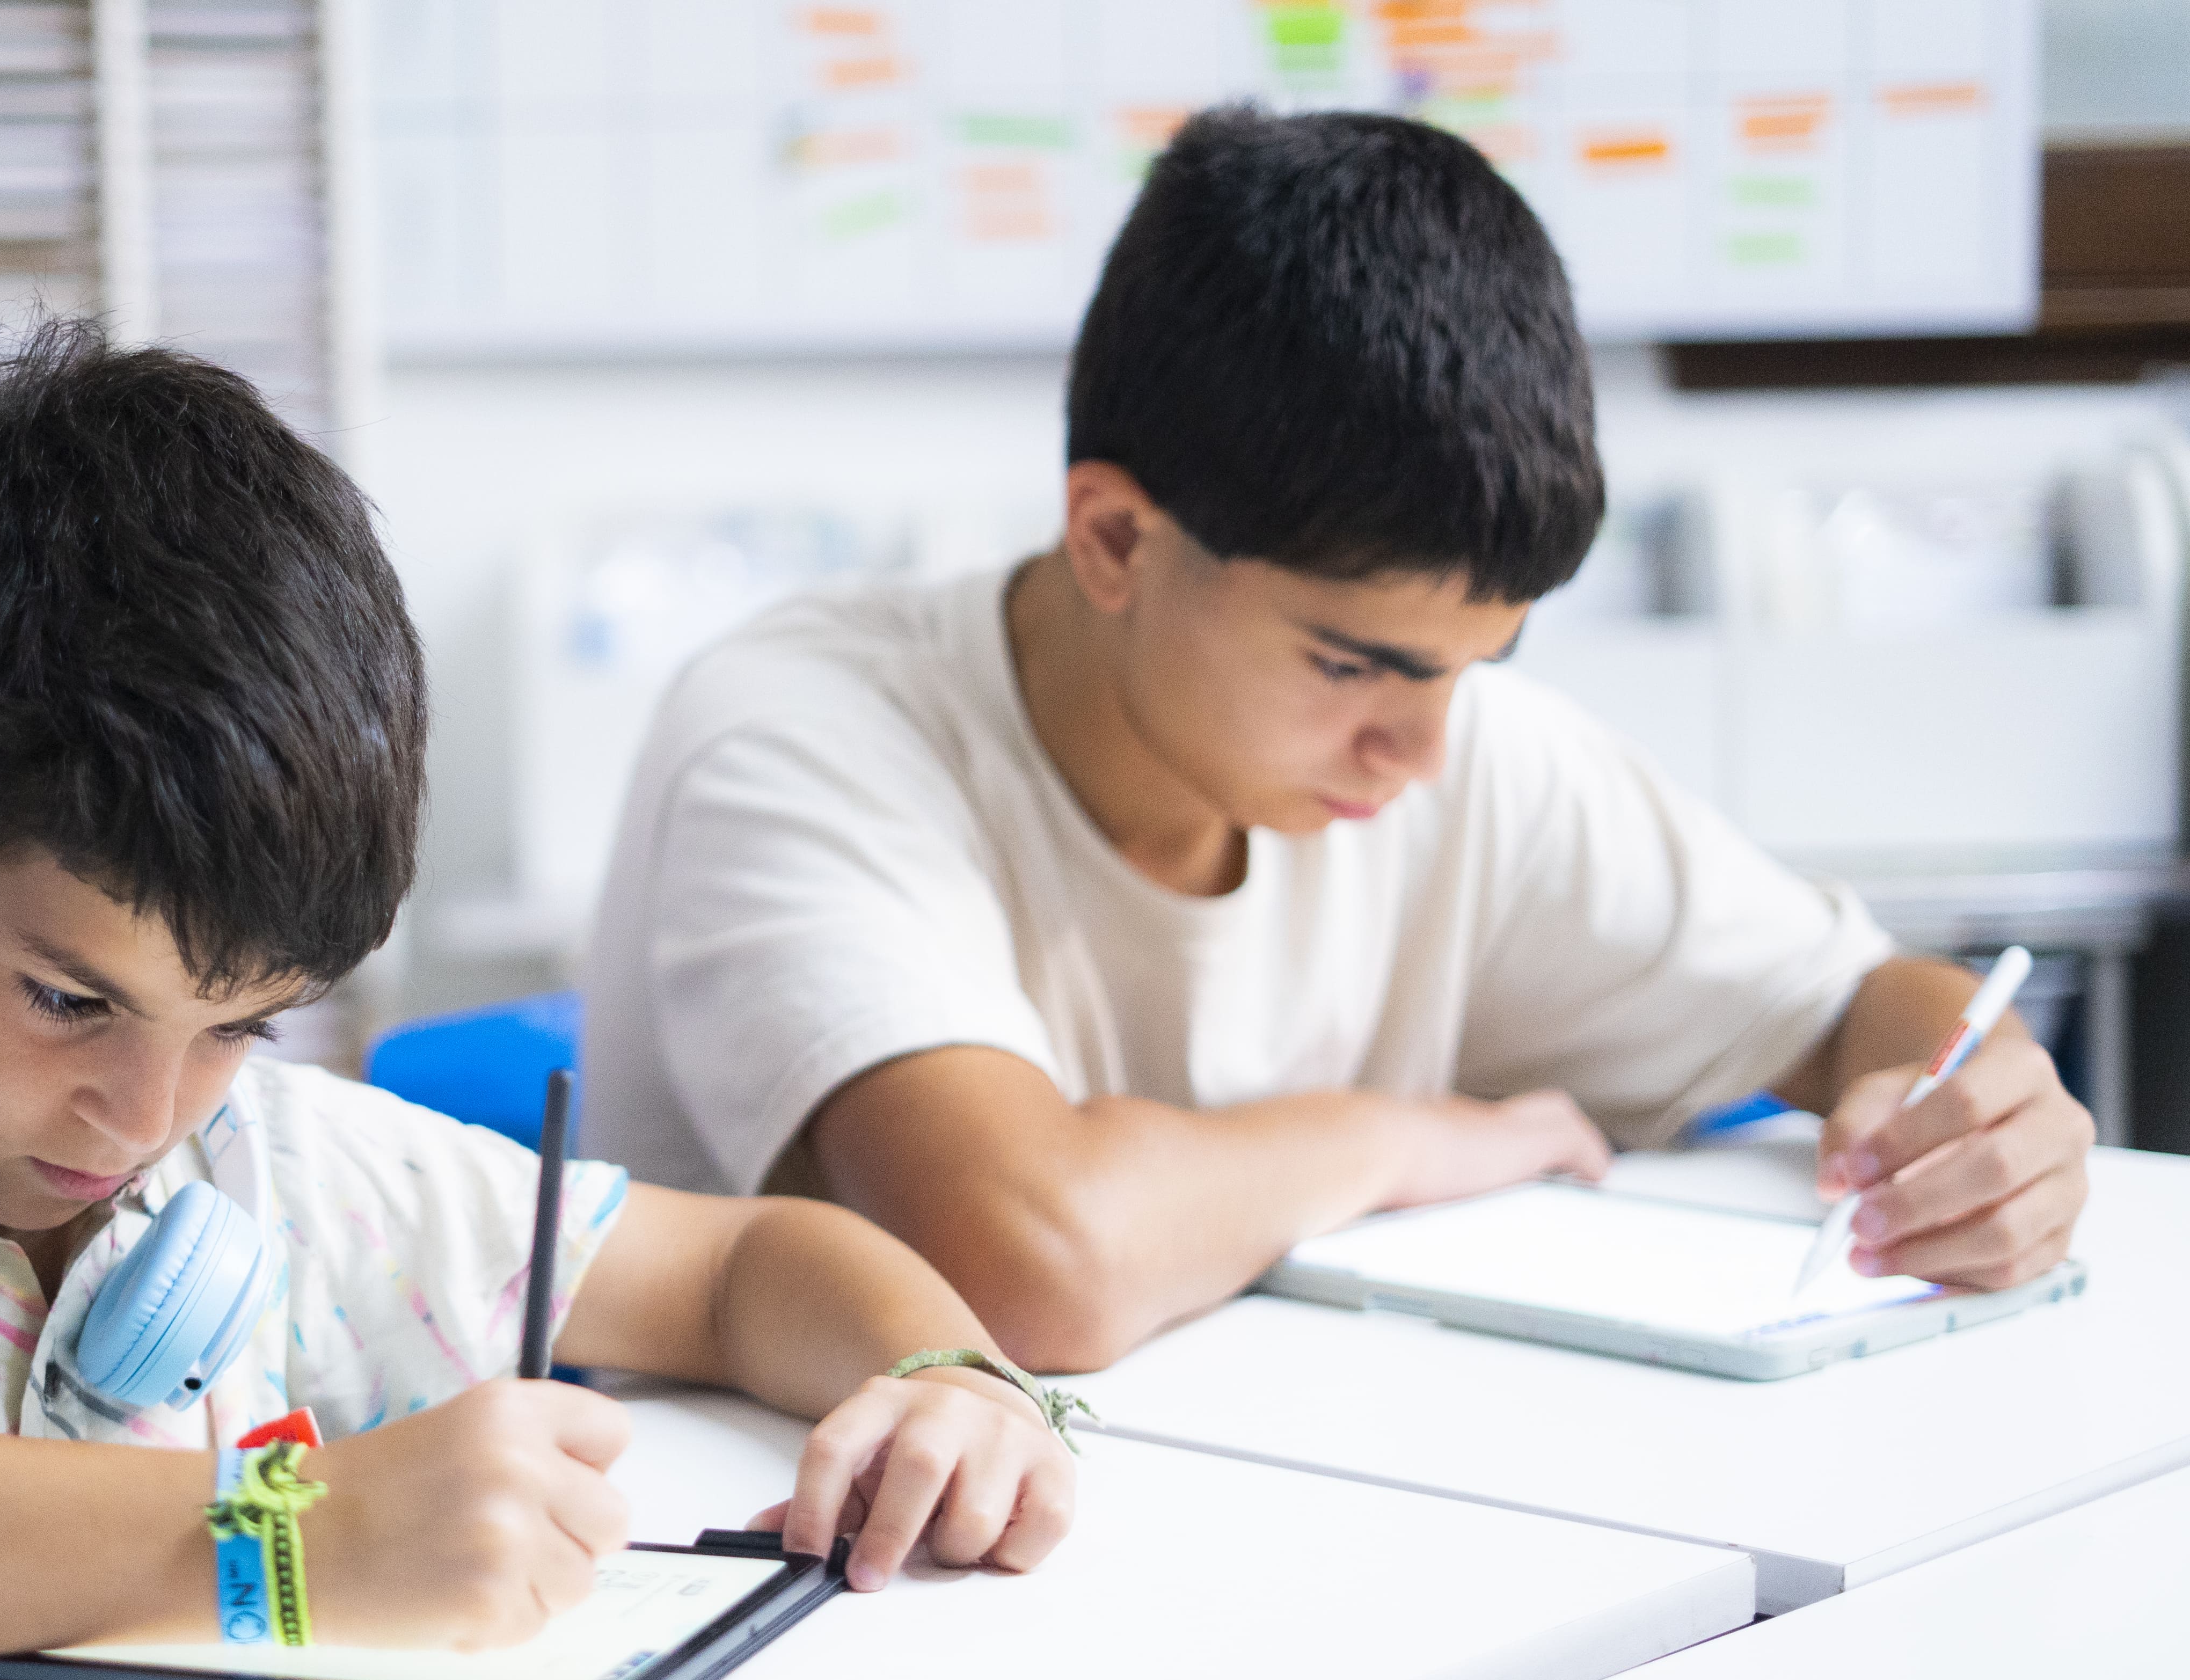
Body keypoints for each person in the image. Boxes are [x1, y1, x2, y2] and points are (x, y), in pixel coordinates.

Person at [0, 323, 1074, 1672]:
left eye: (242, 1024)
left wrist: (952, 1378)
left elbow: (746, 1267)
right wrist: (291, 1535)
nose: (145, 1118)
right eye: (68, 1001)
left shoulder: (270, 1164)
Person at [581, 107, 2092, 1374]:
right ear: (1115, 538)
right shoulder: (802, 735)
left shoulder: (1451, 744)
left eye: (1474, 666)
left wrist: (1978, 1113)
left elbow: (1866, 1001)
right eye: (1353, 664)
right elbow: (1032, 1260)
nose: (1421, 752)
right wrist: (1409, 1138)